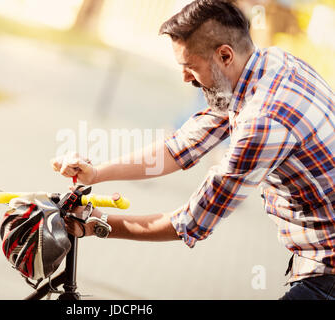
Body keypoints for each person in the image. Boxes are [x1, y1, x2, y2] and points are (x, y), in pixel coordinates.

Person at [51, 0, 334, 300]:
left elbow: (190, 222)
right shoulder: (270, 65)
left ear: (225, 55)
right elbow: (180, 148)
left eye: (190, 66)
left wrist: (95, 225)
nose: (185, 78)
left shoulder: (262, 122)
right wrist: (96, 174)